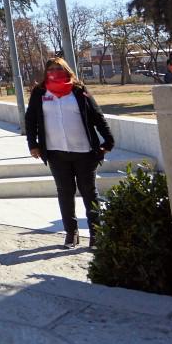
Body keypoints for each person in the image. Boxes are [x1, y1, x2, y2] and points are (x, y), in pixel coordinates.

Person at [23, 58, 115, 249]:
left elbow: (97, 116)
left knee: (89, 192)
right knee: (65, 193)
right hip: (56, 153)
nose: (55, 72)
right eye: (51, 69)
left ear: (67, 70)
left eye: (59, 68)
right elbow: (30, 120)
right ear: (46, 72)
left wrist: (108, 140)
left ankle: (96, 233)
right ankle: (71, 233)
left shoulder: (79, 90)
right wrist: (33, 144)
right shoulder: (40, 92)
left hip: (84, 151)